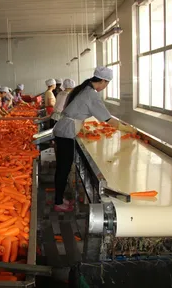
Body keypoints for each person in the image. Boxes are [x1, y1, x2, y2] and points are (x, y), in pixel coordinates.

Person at [53, 66, 136, 212]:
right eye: (107, 84)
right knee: (63, 168)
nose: (105, 87)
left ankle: (59, 199)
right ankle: (58, 202)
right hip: (66, 132)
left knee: (63, 167)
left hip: (64, 129)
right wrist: (128, 129)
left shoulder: (83, 89)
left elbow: (77, 111)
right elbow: (108, 120)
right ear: (103, 81)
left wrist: (82, 125)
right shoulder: (91, 94)